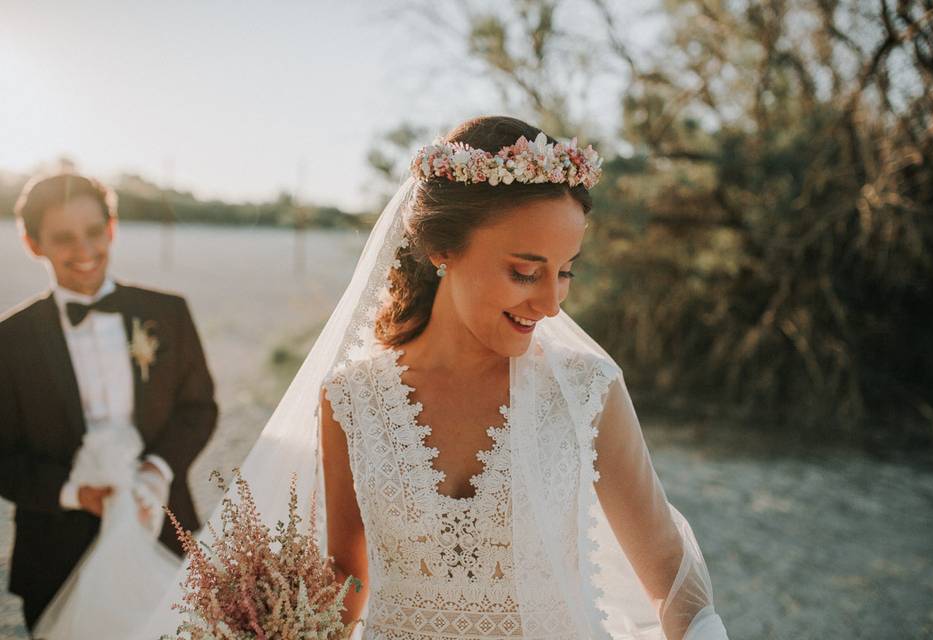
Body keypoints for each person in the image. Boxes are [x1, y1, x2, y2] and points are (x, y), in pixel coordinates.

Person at [138, 115, 728, 639]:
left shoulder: (586, 390)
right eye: (526, 272)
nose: (551, 303)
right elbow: (348, 577)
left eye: (565, 271)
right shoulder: (352, 399)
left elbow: (670, 575)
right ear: (443, 249)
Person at [0, 173, 218, 636]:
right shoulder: (9, 341)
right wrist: (72, 493)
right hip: (56, 552)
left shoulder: (168, 313)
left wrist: (158, 471)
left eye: (95, 232)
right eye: (63, 238)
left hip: (161, 530)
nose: (84, 250)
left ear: (112, 228)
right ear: (33, 243)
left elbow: (198, 408)